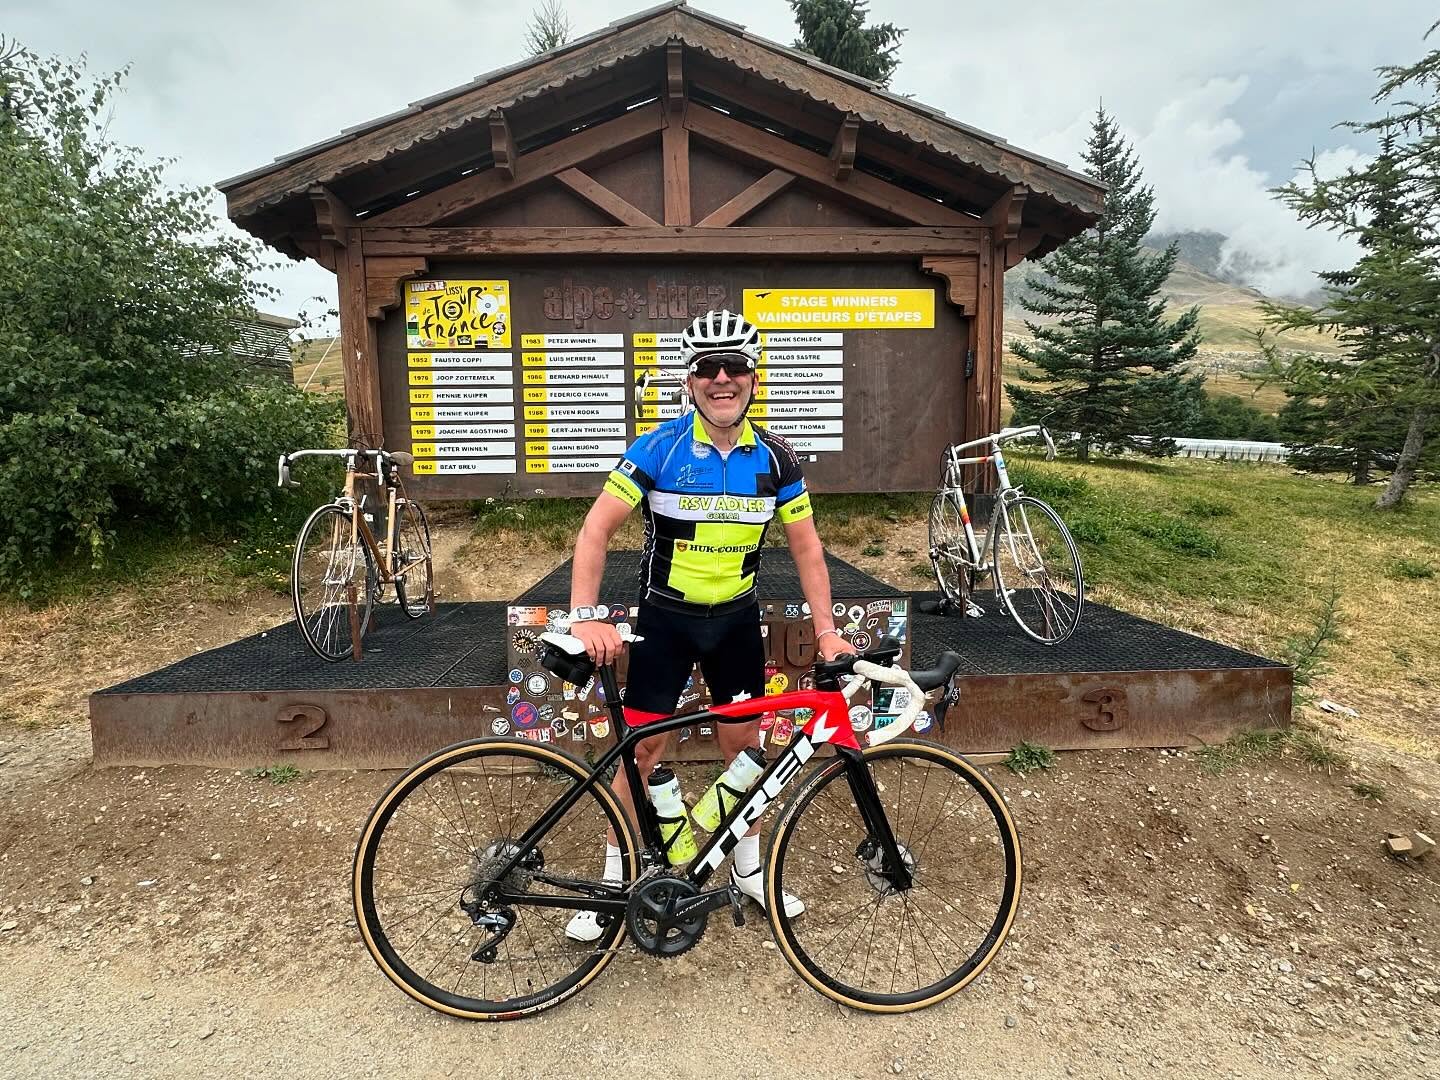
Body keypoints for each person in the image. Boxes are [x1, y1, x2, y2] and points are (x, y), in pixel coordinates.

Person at [564, 309, 849, 942]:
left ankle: (746, 870)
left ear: (752, 377)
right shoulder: (658, 448)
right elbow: (595, 531)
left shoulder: (776, 459)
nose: (723, 379)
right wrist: (585, 617)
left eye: (735, 368)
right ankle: (615, 881)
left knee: (746, 754)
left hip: (737, 626)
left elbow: (807, 550)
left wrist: (826, 630)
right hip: (667, 622)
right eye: (708, 370)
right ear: (689, 381)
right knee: (641, 752)